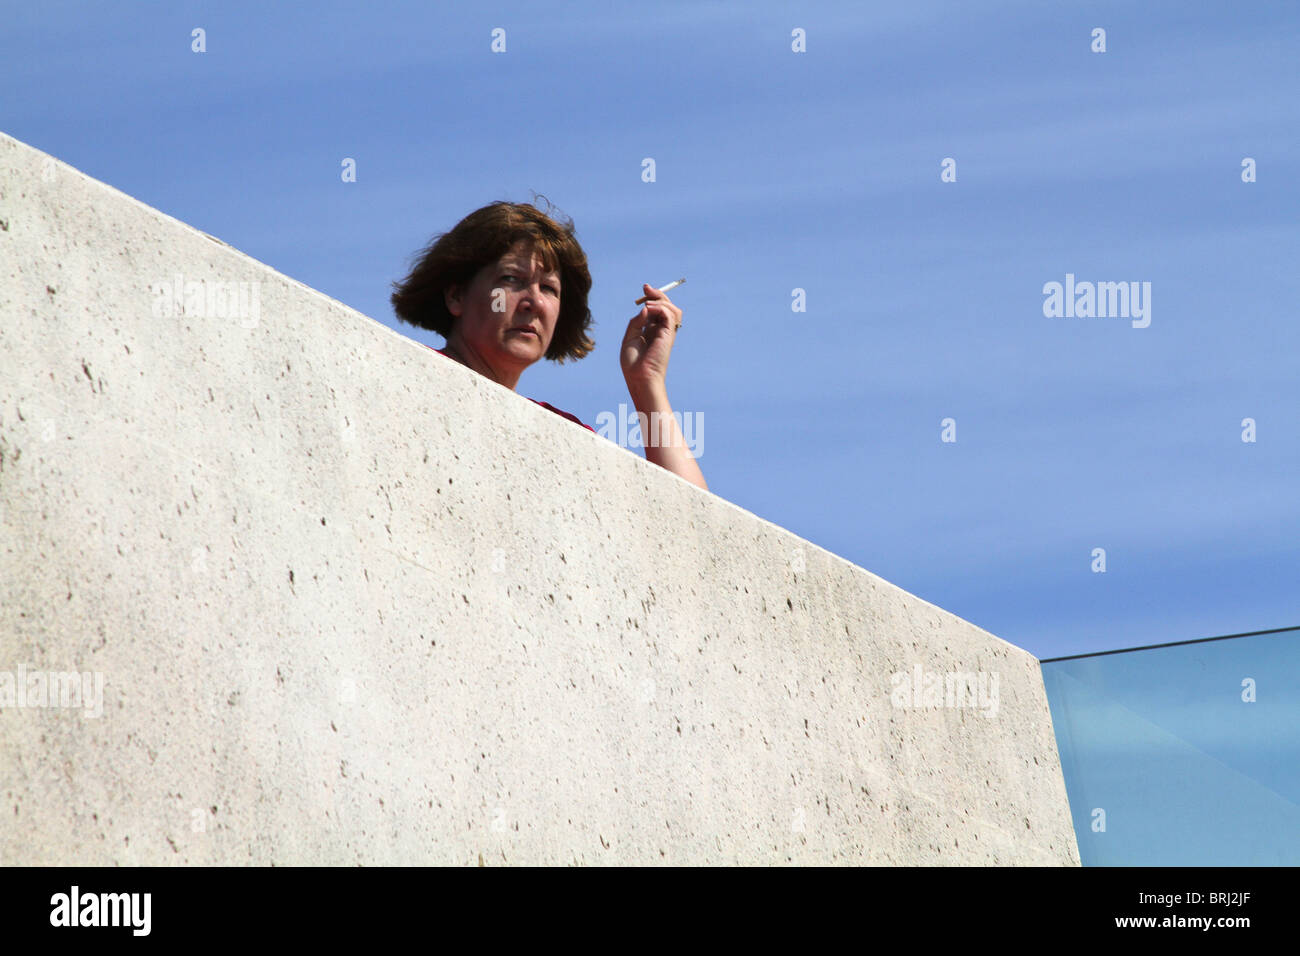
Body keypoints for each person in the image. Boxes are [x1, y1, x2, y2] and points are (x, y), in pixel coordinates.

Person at [390, 200, 707, 491]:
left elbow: (692, 523)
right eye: (512, 279)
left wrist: (646, 381)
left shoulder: (567, 435)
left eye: (549, 288)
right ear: (456, 296)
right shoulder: (402, 379)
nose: (534, 302)